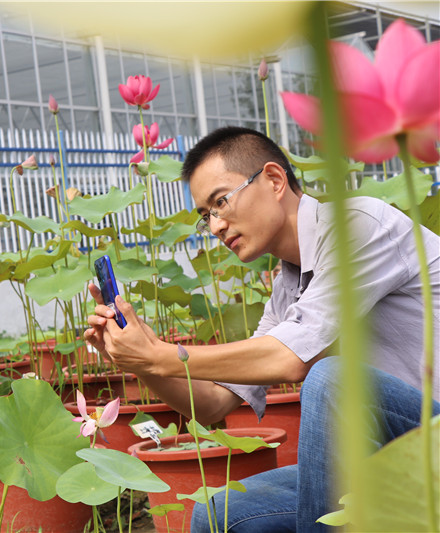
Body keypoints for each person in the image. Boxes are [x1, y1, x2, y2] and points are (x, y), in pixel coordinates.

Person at [84, 126, 440, 532]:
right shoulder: (288, 284)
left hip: (430, 444)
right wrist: (141, 358)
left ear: (273, 180)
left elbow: (289, 360)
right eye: (206, 215)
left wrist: (162, 353)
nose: (216, 226)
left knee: (333, 379)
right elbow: (215, 403)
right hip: (386, 458)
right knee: (219, 515)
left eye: (220, 202)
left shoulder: (358, 226)